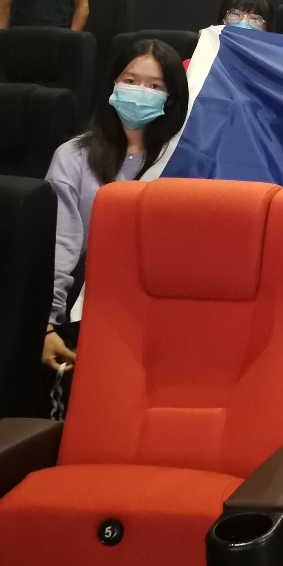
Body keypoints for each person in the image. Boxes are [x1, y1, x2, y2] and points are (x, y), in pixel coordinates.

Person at [42, 39, 189, 371]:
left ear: (170, 98)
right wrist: (48, 323)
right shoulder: (73, 156)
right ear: (113, 84)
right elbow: (60, 243)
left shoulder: (182, 159)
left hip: (165, 314)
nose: (140, 92)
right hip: (91, 309)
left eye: (155, 86)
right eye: (130, 80)